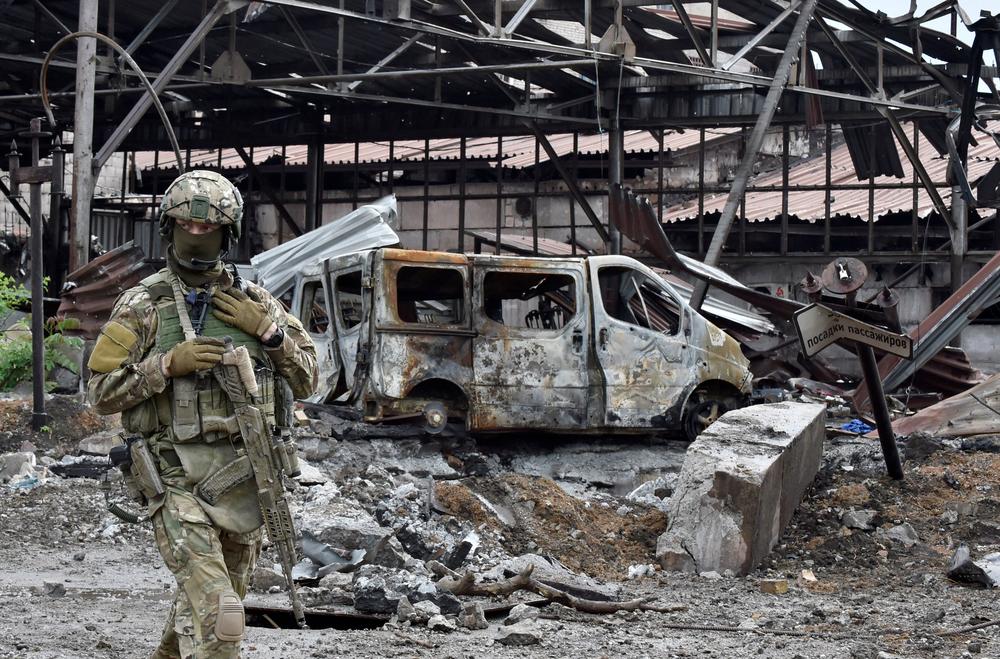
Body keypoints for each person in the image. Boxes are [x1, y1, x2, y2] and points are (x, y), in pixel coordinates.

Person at [87, 169, 318, 659]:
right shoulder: (143, 305)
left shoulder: (255, 302)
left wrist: (272, 336)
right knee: (224, 620)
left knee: (205, 615)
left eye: (208, 229)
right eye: (186, 228)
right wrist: (166, 365)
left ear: (227, 234)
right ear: (168, 230)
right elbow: (100, 392)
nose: (197, 237)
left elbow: (309, 380)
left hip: (245, 484)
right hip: (175, 481)